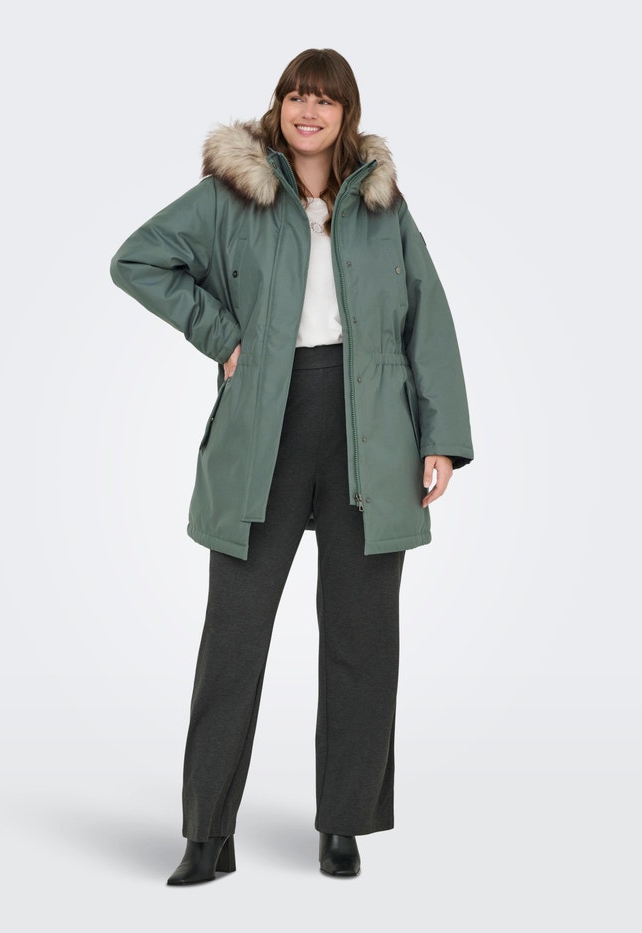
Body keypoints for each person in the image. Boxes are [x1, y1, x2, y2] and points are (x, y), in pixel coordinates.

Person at [110, 48, 473, 883]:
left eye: (325, 100)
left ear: (347, 114)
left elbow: (429, 318)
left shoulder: (382, 206)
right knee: (233, 638)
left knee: (361, 637)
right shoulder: (232, 195)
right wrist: (222, 336)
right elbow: (138, 259)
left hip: (371, 433)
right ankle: (207, 834)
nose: (308, 111)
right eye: (296, 96)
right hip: (262, 433)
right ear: (278, 106)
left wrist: (440, 435)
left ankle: (343, 822)